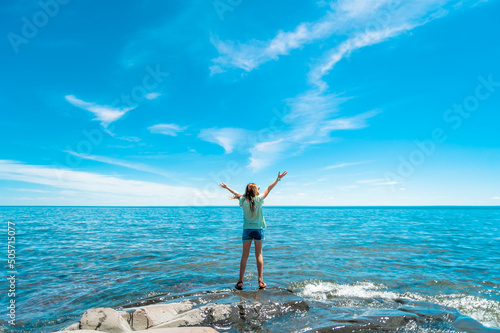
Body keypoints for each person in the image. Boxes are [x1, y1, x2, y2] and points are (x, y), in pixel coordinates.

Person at [219, 171, 287, 290]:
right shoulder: (259, 199)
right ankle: (260, 281)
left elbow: (236, 193)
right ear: (256, 191)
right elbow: (269, 188)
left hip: (247, 230)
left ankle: (240, 282)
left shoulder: (243, 200)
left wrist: (227, 187)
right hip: (258, 230)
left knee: (244, 256)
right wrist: (278, 179)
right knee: (259, 255)